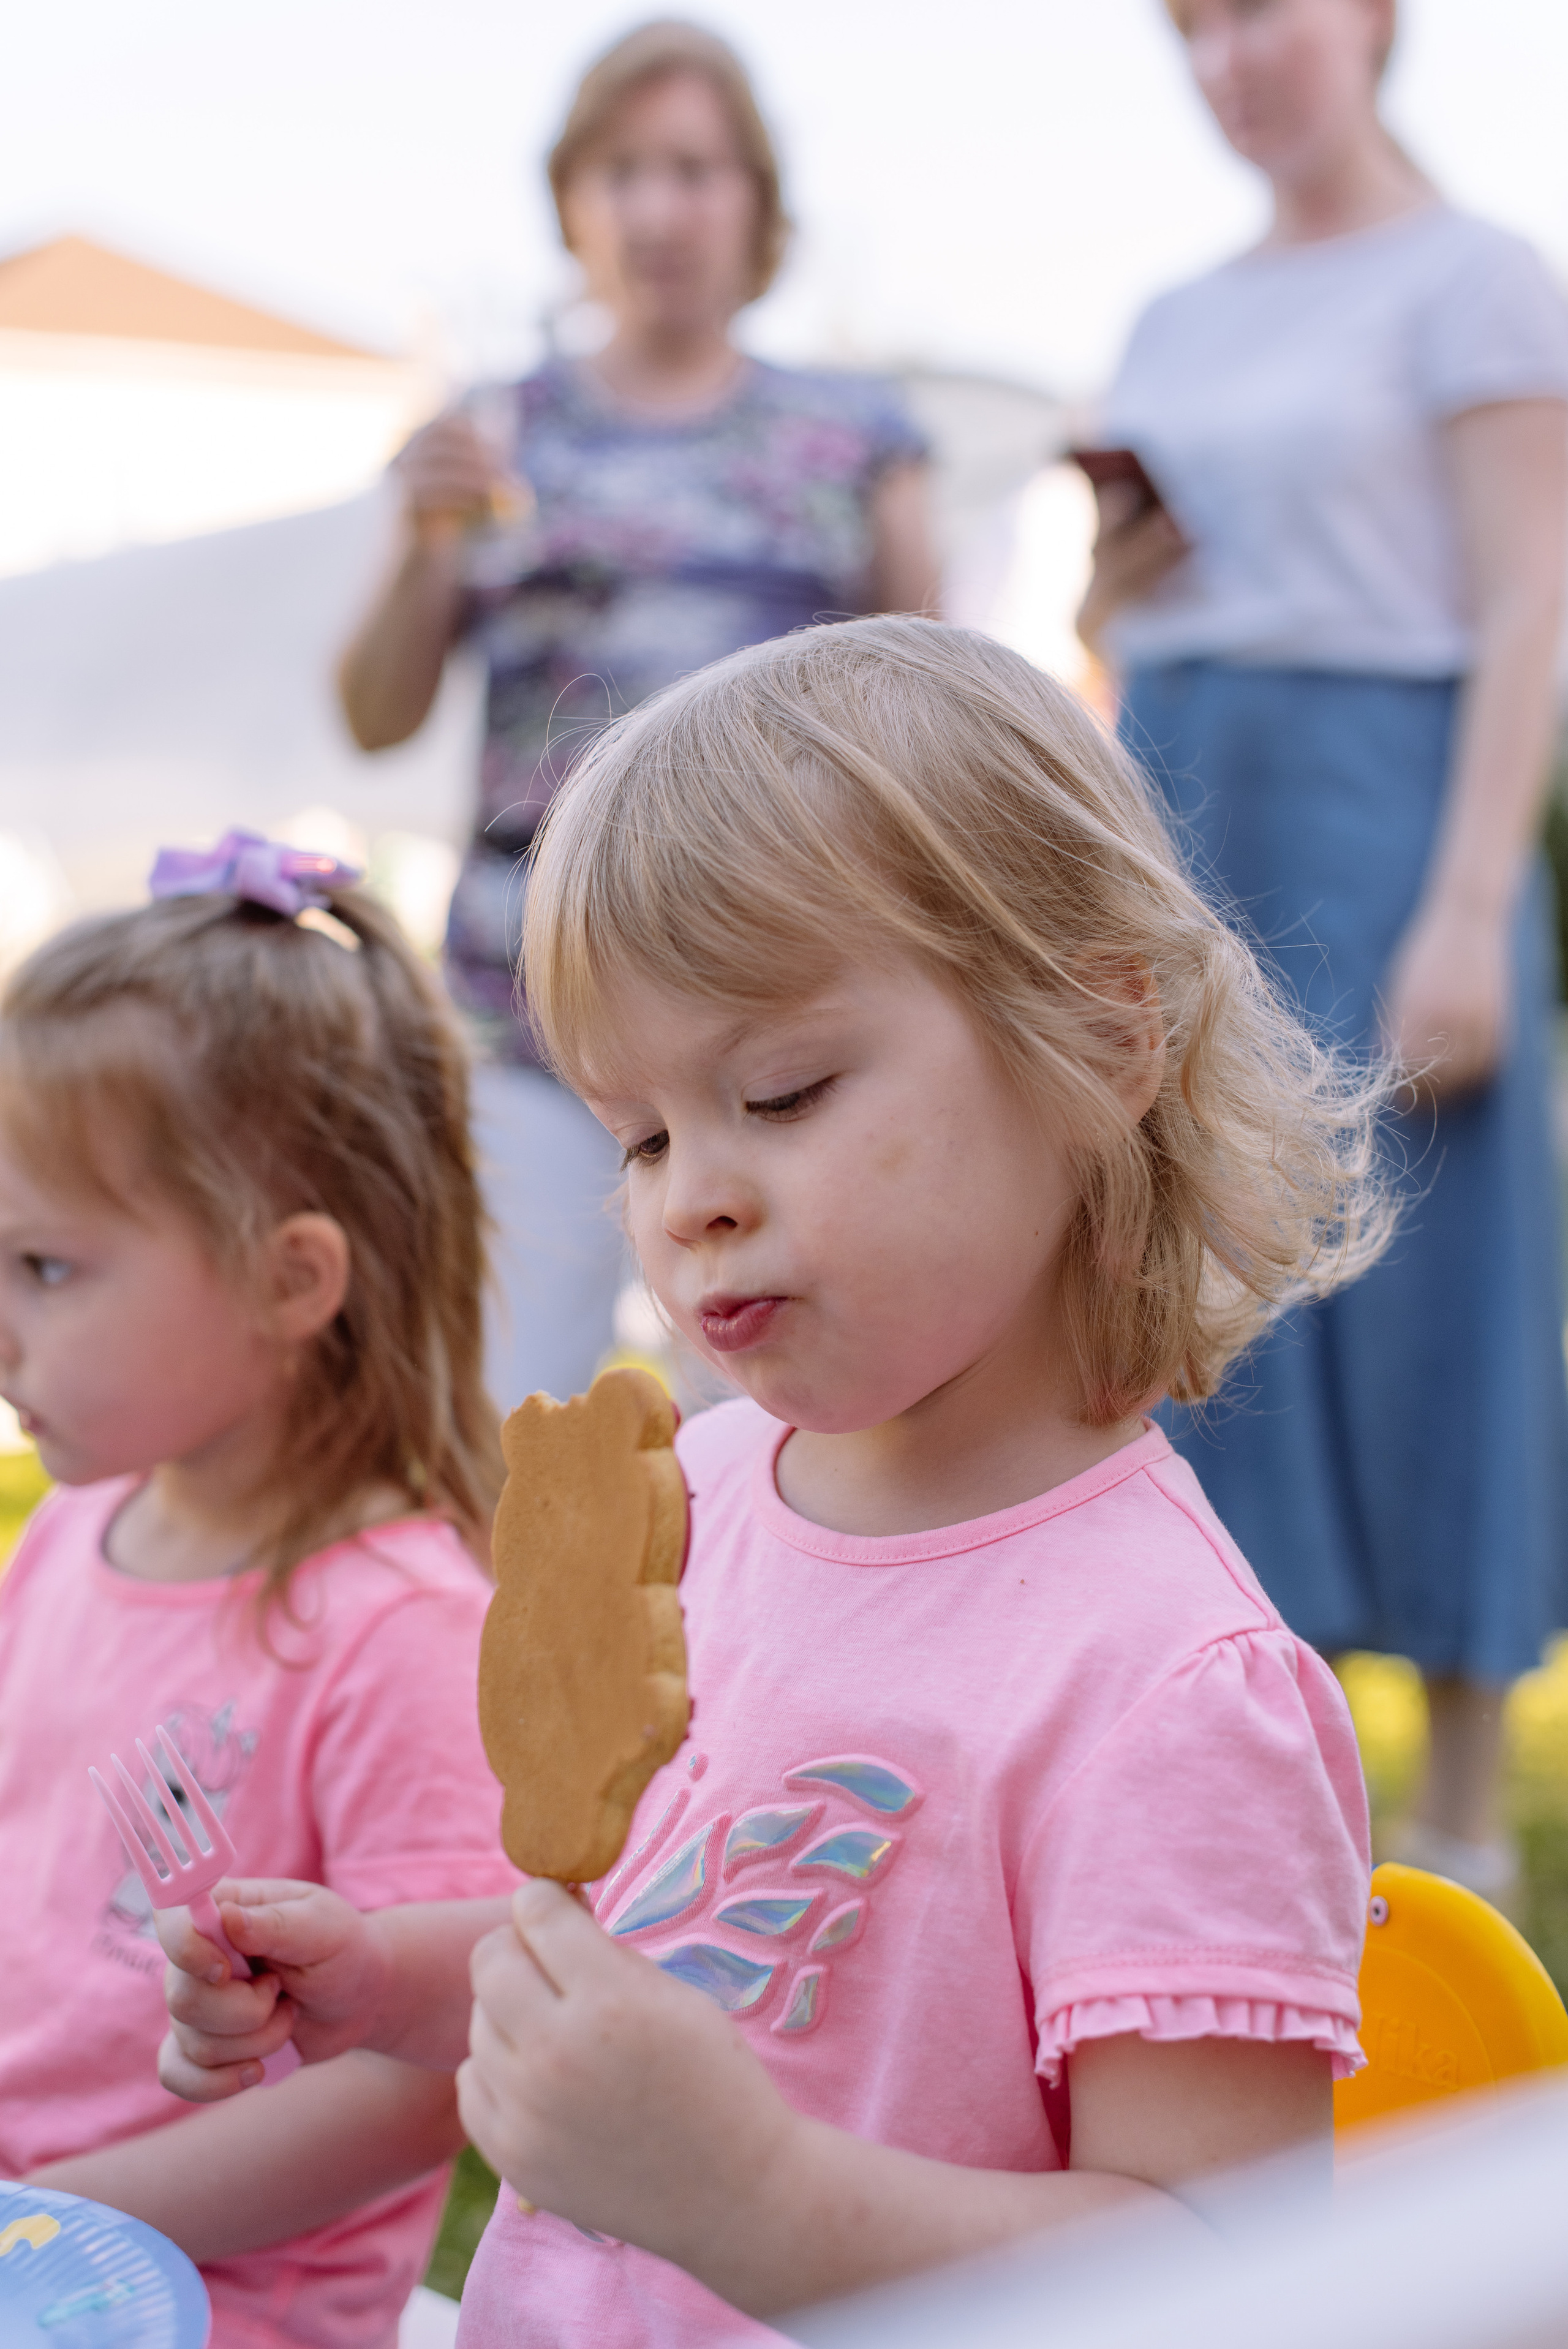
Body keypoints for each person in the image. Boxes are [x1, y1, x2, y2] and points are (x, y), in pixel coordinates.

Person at [159, 620, 1385, 2345]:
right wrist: (386, 1978)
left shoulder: (1175, 1695)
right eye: (641, 1133)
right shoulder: (700, 1497)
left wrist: (759, 2200)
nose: (690, 1199)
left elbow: (1228, 2284)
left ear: (1107, 1039)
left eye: (781, 1090)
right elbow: (663, 1940)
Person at [1078, 0, 1568, 1899]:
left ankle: (1460, 1837)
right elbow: (1131, 618)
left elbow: (1528, 601)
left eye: (1259, 15)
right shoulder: (1171, 319)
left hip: (1397, 802)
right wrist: (1102, 596)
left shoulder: (1480, 280)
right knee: (1223, 1271)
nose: (1231, 64)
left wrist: (1468, 909)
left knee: (1439, 1276)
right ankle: (1272, 1789)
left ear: (1371, 20)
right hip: (1195, 789)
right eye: (1189, 33)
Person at [337, 18, 939, 1414]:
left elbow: (931, 714)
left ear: (757, 204)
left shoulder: (853, 439)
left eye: (693, 170)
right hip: (522, 1016)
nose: (656, 209)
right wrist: (423, 541)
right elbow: (376, 712)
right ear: (571, 206)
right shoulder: (495, 428)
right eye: (619, 173)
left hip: (772, 1021)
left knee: (770, 1428)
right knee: (493, 1425)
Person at [0, 832, 518, 2348]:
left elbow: (419, 2085)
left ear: (293, 1280)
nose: (2, 1322)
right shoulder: (77, 1537)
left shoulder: (397, 1625)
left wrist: (63, 2210)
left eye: (45, 1267)